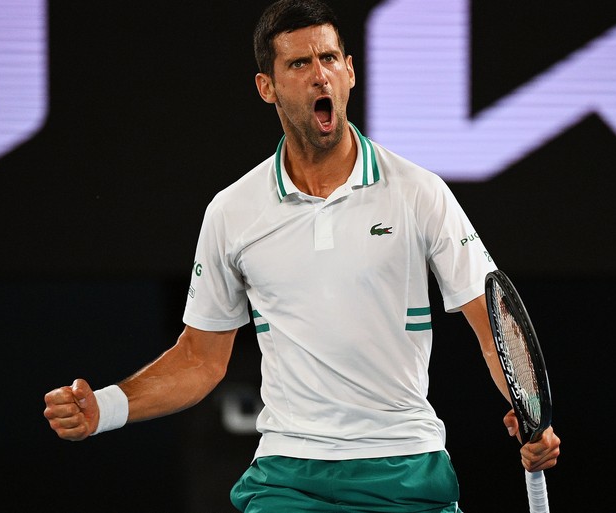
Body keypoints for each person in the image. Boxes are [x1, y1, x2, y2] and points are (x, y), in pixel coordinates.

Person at [43, 1, 561, 511]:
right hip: (289, 476)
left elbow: (494, 326)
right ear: (266, 87)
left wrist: (527, 409)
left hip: (406, 468)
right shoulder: (233, 211)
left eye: (330, 59)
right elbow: (201, 359)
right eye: (299, 64)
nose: (321, 77)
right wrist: (104, 408)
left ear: (350, 72)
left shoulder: (420, 193)